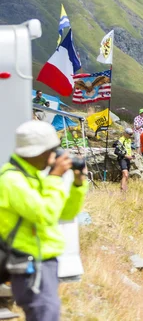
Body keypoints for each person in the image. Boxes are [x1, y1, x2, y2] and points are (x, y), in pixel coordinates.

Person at [0, 120, 88, 320]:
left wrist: (77, 185)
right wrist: (55, 177)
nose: (54, 157)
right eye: (51, 151)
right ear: (36, 152)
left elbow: (65, 214)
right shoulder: (12, 180)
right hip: (28, 263)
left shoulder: (33, 177)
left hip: (45, 261)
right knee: (45, 314)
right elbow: (44, 215)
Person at [116, 128, 135, 192]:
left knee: (125, 175)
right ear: (125, 133)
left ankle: (123, 188)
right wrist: (126, 156)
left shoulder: (129, 140)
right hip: (122, 158)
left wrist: (131, 155)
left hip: (128, 159)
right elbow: (116, 151)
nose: (131, 136)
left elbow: (128, 149)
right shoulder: (121, 140)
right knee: (125, 174)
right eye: (130, 134)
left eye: (132, 134)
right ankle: (122, 189)